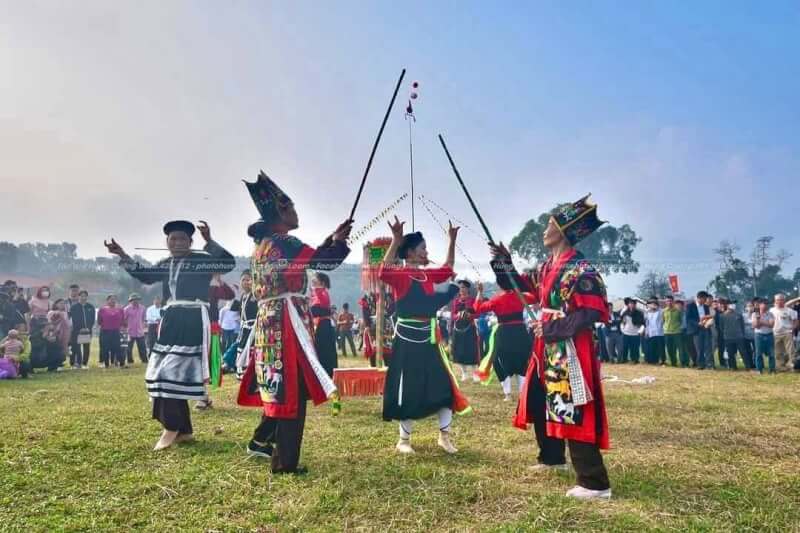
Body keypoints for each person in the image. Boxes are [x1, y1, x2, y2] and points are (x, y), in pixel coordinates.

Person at [491, 194, 611, 500]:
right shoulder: (547, 267)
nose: (545, 230)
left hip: (569, 347)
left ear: (564, 229)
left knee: (571, 405)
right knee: (541, 399)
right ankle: (552, 457)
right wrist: (504, 262)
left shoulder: (580, 269)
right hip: (545, 346)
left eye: (549, 225)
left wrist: (554, 327)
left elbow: (592, 311)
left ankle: (594, 482)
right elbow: (516, 285)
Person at [236, 171, 352, 473]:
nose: (297, 212)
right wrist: (338, 244)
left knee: (279, 383)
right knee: (290, 388)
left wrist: (333, 239)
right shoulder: (286, 241)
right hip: (288, 322)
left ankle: (262, 440)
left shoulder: (264, 245)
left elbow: (305, 260)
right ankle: (285, 462)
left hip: (269, 321)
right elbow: (323, 262)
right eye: (293, 208)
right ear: (282, 212)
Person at [106, 218, 236, 450]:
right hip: (171, 319)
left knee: (172, 373)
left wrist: (209, 241)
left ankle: (171, 427)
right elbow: (144, 275)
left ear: (190, 241)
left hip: (193, 318)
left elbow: (228, 263)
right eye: (172, 239)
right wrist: (122, 254)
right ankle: (183, 430)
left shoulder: (201, 260)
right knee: (159, 373)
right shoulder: (166, 263)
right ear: (166, 242)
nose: (177, 243)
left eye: (182, 239)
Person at [379, 216, 469, 455]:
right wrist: (395, 239)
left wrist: (452, 240)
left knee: (443, 387)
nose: (426, 252)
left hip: (430, 340)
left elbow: (448, 267)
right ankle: (404, 441)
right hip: (408, 342)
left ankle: (445, 437)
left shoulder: (428, 275)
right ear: (409, 253)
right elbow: (384, 271)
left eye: (426, 248)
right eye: (422, 249)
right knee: (408, 388)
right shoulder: (401, 275)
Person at [473, 277, 533, 402]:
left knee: (500, 362)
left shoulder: (497, 299)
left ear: (500, 286)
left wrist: (479, 292)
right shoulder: (521, 296)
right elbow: (534, 297)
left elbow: (478, 308)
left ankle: (508, 394)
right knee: (522, 362)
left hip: (504, 334)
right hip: (520, 332)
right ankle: (523, 394)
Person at [450, 280, 480, 382]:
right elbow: (452, 315)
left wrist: (470, 315)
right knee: (459, 352)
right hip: (458, 329)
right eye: (460, 287)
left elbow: (477, 313)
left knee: (471, 351)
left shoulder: (472, 300)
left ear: (467, 289)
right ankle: (464, 373)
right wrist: (457, 316)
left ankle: (475, 374)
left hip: (469, 328)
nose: (461, 289)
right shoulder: (455, 301)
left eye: (463, 287)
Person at [231, 270, 258, 380]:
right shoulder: (243, 296)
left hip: (254, 328)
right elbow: (235, 310)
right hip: (244, 330)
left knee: (251, 351)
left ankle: (252, 376)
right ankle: (242, 374)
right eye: (243, 280)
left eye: (248, 280)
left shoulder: (255, 294)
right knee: (241, 350)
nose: (246, 282)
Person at [309, 272, 338, 378]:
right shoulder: (318, 293)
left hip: (324, 327)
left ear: (322, 282)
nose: (312, 280)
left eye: (315, 279)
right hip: (322, 325)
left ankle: (326, 374)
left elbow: (317, 310)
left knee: (324, 352)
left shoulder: (321, 292)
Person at [718, 298, 749, 370]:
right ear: (728, 305)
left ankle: (748, 366)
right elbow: (721, 327)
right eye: (732, 304)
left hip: (739, 337)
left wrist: (742, 334)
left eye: (734, 304)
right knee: (730, 353)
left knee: (743, 352)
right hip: (728, 337)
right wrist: (725, 333)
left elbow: (742, 326)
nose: (733, 305)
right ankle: (733, 367)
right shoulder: (722, 316)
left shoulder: (738, 315)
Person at [770, 293, 798, 371]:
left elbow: (796, 321)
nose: (779, 301)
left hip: (787, 333)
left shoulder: (790, 311)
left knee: (791, 351)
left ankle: (792, 365)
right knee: (778, 351)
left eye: (781, 300)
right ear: (775, 301)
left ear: (784, 300)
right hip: (775, 333)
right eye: (777, 300)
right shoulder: (771, 310)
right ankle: (780, 366)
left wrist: (792, 329)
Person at [68, 290, 95, 369]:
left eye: (85, 296)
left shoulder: (90, 307)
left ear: (87, 297)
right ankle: (74, 364)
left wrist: (88, 328)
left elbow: (92, 319)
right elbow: (73, 319)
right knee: (75, 347)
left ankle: (84, 363)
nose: (83, 297)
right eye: (81, 296)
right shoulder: (74, 307)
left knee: (86, 347)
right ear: (78, 297)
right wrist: (79, 328)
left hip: (87, 331)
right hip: (76, 331)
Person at [686, 291, 713, 369]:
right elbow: (689, 319)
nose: (705, 301)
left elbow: (708, 316)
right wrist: (697, 323)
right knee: (699, 348)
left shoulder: (706, 307)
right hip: (696, 330)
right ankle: (701, 364)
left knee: (708, 347)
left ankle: (710, 365)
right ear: (699, 298)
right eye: (704, 299)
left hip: (706, 328)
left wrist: (709, 322)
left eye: (706, 299)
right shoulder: (690, 306)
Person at [97, 295, 125, 368]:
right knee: (105, 348)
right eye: (111, 299)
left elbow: (122, 320)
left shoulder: (120, 310)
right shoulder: (102, 309)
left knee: (117, 347)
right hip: (105, 331)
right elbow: (99, 321)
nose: (113, 301)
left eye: (114, 299)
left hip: (115, 331)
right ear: (107, 301)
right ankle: (106, 363)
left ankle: (120, 363)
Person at [752, 298, 776, 374]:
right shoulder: (754, 314)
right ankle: (759, 369)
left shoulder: (770, 314)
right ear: (760, 305)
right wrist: (764, 322)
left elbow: (771, 325)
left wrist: (760, 321)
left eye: (767, 304)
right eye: (764, 304)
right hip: (759, 335)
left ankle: (772, 369)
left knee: (771, 353)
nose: (766, 305)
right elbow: (756, 326)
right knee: (758, 353)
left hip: (769, 335)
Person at [124, 293, 148, 364]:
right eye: (133, 300)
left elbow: (144, 318)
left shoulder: (143, 308)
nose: (135, 301)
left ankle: (144, 360)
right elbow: (124, 319)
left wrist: (144, 327)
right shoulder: (126, 309)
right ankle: (130, 360)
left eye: (137, 300)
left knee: (142, 347)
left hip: (140, 331)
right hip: (130, 331)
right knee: (129, 348)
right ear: (130, 301)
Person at [620, 298, 644, 364]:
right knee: (625, 347)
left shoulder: (639, 313)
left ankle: (635, 359)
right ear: (628, 304)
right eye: (630, 303)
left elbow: (642, 324)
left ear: (635, 305)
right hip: (626, 333)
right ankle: (624, 359)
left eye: (633, 303)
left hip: (635, 333)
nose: (631, 305)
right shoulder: (625, 312)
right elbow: (622, 322)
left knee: (635, 348)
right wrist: (622, 329)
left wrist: (640, 331)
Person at [663, 296, 683, 367]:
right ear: (665, 302)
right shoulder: (664, 311)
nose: (669, 302)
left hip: (676, 332)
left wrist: (679, 328)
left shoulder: (678, 311)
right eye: (667, 301)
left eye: (670, 301)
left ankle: (683, 363)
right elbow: (663, 321)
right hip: (667, 332)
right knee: (670, 349)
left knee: (679, 349)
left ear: (673, 301)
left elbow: (681, 321)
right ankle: (673, 363)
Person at [644, 298, 665, 365]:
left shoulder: (660, 311)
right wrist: (646, 332)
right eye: (651, 304)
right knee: (652, 348)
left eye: (654, 304)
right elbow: (647, 323)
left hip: (659, 332)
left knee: (660, 348)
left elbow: (663, 320)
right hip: (651, 333)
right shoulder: (647, 313)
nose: (652, 306)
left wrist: (658, 308)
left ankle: (662, 360)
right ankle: (653, 360)